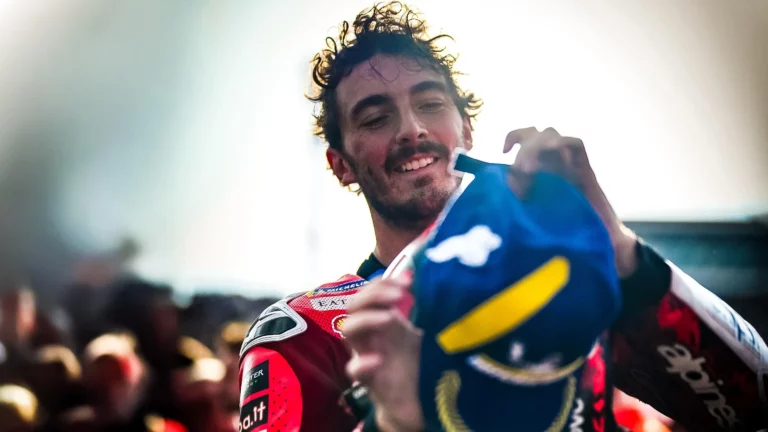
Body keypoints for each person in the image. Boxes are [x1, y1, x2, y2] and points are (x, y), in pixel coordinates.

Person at [238, 2, 768, 431]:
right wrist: (394, 421)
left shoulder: (560, 278)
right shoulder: (302, 334)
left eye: (430, 104)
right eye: (376, 117)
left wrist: (614, 242)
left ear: (467, 130)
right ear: (340, 165)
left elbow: (752, 406)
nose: (411, 129)